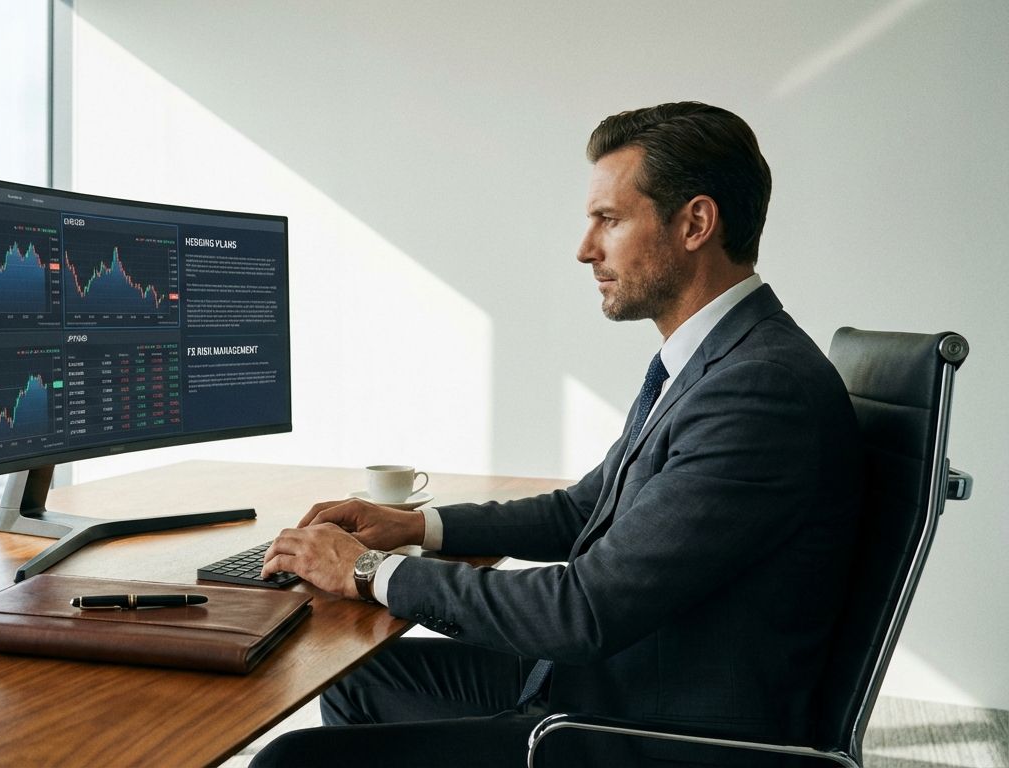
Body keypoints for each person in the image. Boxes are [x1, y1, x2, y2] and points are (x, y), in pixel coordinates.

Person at [252, 102, 862, 767]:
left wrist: (367, 570)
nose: (585, 248)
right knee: (355, 676)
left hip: (653, 732)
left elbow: (582, 611)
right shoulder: (716, 361)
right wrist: (415, 526)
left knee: (289, 760)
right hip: (613, 681)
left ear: (695, 223)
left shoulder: (758, 389)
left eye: (610, 219)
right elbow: (583, 510)